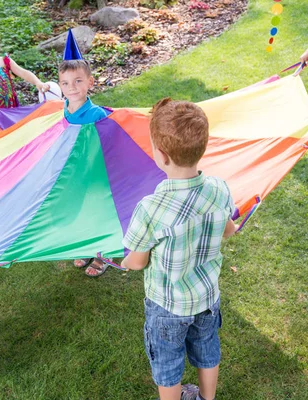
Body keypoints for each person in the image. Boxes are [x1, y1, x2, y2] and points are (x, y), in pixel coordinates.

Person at [120, 98, 237, 400]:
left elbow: (136, 262)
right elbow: (229, 230)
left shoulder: (151, 208)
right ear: (203, 147)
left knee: (168, 365)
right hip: (207, 298)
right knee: (207, 349)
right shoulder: (220, 189)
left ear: (160, 154)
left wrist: (124, 261)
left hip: (167, 306)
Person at [59, 58, 111, 277]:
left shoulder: (96, 114)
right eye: (65, 83)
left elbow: (106, 145)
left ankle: (104, 253)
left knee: (99, 209)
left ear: (90, 82)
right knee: (80, 209)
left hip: (96, 173)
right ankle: (86, 245)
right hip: (75, 172)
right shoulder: (65, 110)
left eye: (78, 81)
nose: (72, 87)